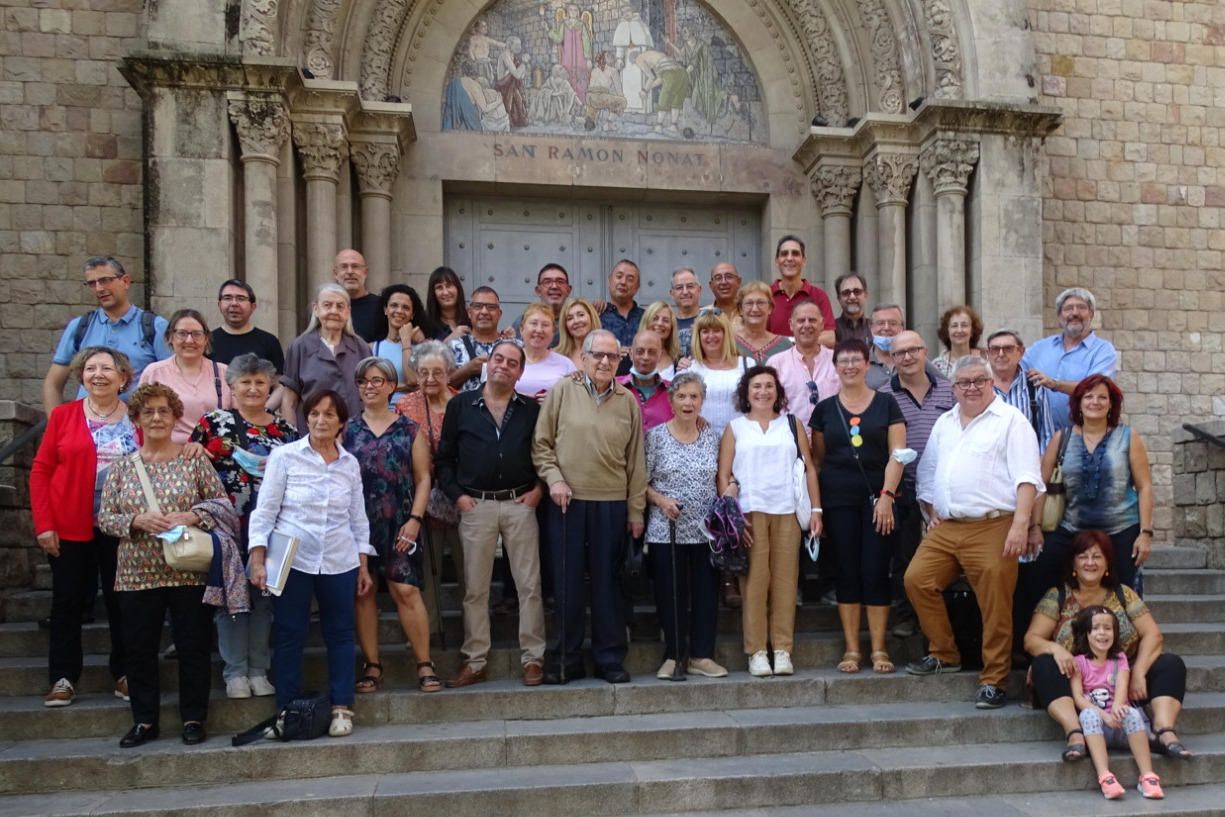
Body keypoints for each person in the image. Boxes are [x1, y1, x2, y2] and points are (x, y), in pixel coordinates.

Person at [97, 383, 236, 747]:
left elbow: (223, 507)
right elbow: (104, 519)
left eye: (163, 411)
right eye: (148, 412)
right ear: (136, 419)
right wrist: (135, 522)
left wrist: (189, 516)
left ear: (176, 416)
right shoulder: (122, 469)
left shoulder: (194, 459)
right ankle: (144, 721)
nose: (156, 417)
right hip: (135, 573)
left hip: (188, 570)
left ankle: (193, 717)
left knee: (192, 646)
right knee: (139, 649)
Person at [904, 356, 1043, 710]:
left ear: (992, 382)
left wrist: (1020, 524)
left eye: (979, 380)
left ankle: (994, 679)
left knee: (996, 601)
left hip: (995, 524)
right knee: (917, 580)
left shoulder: (1011, 420)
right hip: (947, 526)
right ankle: (945, 653)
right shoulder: (945, 422)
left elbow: (1028, 477)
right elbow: (929, 471)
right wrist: (932, 511)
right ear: (953, 388)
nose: (972, 388)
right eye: (964, 382)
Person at [248, 390, 375, 738]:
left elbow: (358, 519)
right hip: (293, 558)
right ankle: (287, 711)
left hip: (339, 559)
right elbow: (265, 512)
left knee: (340, 634)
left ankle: (340, 707)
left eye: (329, 415)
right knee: (289, 633)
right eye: (315, 414)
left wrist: (363, 566)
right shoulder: (285, 456)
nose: (321, 420)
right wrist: (258, 559)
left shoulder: (349, 464)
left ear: (341, 423)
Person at [532, 329, 647, 685]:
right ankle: (566, 660)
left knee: (607, 586)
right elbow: (541, 444)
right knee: (567, 585)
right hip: (566, 502)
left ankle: (609, 659)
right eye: (598, 355)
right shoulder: (562, 392)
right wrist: (554, 479)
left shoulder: (628, 400)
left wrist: (635, 511)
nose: (604, 362)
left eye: (612, 357)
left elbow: (636, 461)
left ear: (619, 362)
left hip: (611, 505)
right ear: (583, 357)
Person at [1023, 530, 1190, 764]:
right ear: (1073, 563)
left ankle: (1163, 730)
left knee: (1170, 664)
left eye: (1097, 557)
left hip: (1122, 683)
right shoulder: (1057, 596)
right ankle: (1075, 733)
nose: (1090, 563)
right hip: (1076, 685)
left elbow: (1152, 634)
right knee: (1044, 664)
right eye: (1083, 556)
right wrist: (1056, 649)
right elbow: (1032, 639)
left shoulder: (1123, 594)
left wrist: (1139, 673)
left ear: (1107, 564)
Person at [435, 340, 547, 687]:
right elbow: (444, 458)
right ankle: (475, 660)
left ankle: (533, 659)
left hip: (520, 504)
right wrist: (458, 497)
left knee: (529, 586)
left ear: (520, 371)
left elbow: (544, 452)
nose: (503, 365)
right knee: (475, 589)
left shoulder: (531, 409)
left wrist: (539, 491)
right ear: (488, 364)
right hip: (476, 505)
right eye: (498, 358)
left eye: (512, 362)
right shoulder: (460, 405)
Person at [189, 353, 299, 699]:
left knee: (264, 598)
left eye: (260, 382)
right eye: (245, 382)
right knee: (231, 600)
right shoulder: (212, 423)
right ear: (233, 386)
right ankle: (235, 672)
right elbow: (192, 467)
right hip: (227, 526)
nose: (253, 388)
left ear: (271, 386)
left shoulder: (286, 430)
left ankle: (258, 669)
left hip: (272, 528)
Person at [33, 347, 138, 707]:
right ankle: (63, 677)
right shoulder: (63, 416)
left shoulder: (136, 418)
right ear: (82, 377)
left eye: (107, 368)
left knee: (122, 601)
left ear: (123, 377)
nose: (98, 374)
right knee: (67, 601)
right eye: (90, 368)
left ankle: (125, 672)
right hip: (69, 526)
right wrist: (44, 524)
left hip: (123, 527)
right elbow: (41, 470)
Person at [1017, 375, 1155, 640]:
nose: (1095, 402)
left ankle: (1128, 650)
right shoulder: (1062, 438)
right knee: (1036, 569)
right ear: (1078, 403)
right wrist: (1034, 527)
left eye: (1103, 397)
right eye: (1088, 396)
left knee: (1125, 591)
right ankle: (1037, 644)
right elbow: (1041, 486)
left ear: (1112, 405)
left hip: (1121, 529)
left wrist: (1145, 533)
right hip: (1072, 528)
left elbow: (1145, 487)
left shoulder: (1128, 437)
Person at [343, 358, 439, 694]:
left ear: (391, 385)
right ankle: (372, 665)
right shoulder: (347, 430)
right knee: (364, 591)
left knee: (406, 590)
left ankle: (424, 663)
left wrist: (415, 519)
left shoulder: (410, 429)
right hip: (358, 526)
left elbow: (424, 477)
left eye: (377, 380)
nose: (370, 386)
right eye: (363, 381)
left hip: (401, 523)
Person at [718, 365, 822, 677]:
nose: (763, 392)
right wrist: (734, 518)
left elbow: (810, 469)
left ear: (777, 392)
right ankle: (757, 651)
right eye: (756, 386)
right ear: (746, 393)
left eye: (768, 386)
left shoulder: (792, 424)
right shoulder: (735, 428)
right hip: (750, 513)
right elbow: (724, 475)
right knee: (754, 584)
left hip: (788, 511)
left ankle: (782, 649)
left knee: (785, 584)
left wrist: (817, 510)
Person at [810, 338, 906, 674]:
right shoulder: (823, 409)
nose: (849, 366)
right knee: (847, 572)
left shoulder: (887, 404)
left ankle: (879, 649)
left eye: (856, 360)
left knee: (875, 571)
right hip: (838, 502)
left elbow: (898, 454)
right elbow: (818, 460)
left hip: (879, 501)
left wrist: (887, 496)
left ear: (868, 364)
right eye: (843, 361)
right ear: (835, 367)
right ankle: (852, 649)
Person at [645, 371, 725, 679]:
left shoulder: (713, 436)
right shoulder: (656, 437)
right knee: (670, 592)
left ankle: (701, 655)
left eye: (694, 396)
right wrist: (661, 500)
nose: (688, 402)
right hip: (668, 529)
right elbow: (642, 483)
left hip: (705, 530)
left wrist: (729, 488)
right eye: (682, 396)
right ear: (671, 400)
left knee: (706, 593)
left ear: (702, 401)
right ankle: (673, 655)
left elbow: (723, 476)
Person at [879, 331, 955, 638]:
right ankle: (908, 615)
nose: (907, 357)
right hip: (904, 488)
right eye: (900, 353)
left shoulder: (951, 391)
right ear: (892, 359)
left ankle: (946, 616)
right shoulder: (884, 396)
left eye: (913, 350)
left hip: (948, 488)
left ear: (925, 353)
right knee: (906, 558)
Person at [394, 341, 464, 639]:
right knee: (426, 568)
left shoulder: (465, 403)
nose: (431, 379)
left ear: (450, 373)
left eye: (438, 372)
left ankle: (472, 633)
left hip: (460, 496)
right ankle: (429, 632)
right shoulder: (405, 405)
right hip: (421, 498)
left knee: (468, 570)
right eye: (424, 372)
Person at [43, 255, 170, 414]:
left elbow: (174, 381)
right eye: (92, 283)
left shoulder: (155, 327)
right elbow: (53, 383)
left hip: (136, 427)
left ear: (125, 281)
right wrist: (58, 426)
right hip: (86, 429)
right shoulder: (80, 327)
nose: (99, 289)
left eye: (105, 280)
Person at [1069, 605, 1164, 800]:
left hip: (1121, 727)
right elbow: (1078, 698)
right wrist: (1105, 715)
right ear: (1086, 633)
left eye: (1108, 628)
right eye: (1095, 628)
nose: (1102, 633)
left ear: (1115, 632)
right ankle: (1105, 776)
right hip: (1097, 729)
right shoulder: (1078, 662)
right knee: (1087, 714)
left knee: (1132, 713)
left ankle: (1147, 776)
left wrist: (1117, 710)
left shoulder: (1118, 659)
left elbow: (1122, 688)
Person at [1022, 287, 1119, 432]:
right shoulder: (1040, 347)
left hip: (1082, 438)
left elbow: (1095, 389)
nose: (1074, 313)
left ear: (1091, 314)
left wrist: (1054, 384)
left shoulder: (1103, 350)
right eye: (1068, 308)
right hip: (1042, 438)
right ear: (1060, 316)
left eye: (1081, 308)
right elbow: (1012, 368)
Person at [281, 283, 372, 431]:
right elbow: (289, 402)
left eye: (340, 306)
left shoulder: (361, 348)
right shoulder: (299, 347)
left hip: (354, 437)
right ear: (316, 309)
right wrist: (292, 441)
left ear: (348, 312)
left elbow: (372, 396)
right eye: (327, 305)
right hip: (311, 437)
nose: (334, 311)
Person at [137, 309, 233, 444]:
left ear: (206, 338)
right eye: (181, 333)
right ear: (170, 336)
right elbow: (140, 418)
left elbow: (237, 420)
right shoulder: (154, 373)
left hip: (213, 456)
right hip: (169, 457)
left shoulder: (224, 373)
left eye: (196, 334)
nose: (189, 340)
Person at [767, 298, 839, 430]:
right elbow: (770, 408)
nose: (806, 325)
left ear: (822, 324)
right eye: (801, 320)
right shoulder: (776, 363)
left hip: (832, 440)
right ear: (791, 325)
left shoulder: (837, 360)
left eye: (812, 320)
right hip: (790, 440)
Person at [987, 329, 1054, 454]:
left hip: (1026, 466)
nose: (1001, 354)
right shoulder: (978, 387)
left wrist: (1042, 468)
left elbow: (1046, 435)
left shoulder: (1035, 386)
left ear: (1021, 352)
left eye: (1008, 348)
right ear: (988, 353)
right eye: (995, 349)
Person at [685, 310, 750, 435]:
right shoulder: (689, 368)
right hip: (701, 442)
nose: (711, 336)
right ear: (698, 336)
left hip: (740, 441)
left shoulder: (747, 365)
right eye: (705, 331)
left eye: (716, 330)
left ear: (726, 334)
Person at [370, 284, 438, 399]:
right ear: (385, 309)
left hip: (413, 413)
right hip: (381, 412)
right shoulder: (372, 348)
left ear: (412, 314)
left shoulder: (423, 348)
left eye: (406, 307)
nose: (399, 311)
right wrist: (405, 386)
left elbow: (413, 381)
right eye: (394, 305)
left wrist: (406, 340)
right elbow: (371, 385)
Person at [767, 236, 835, 345]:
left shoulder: (819, 296)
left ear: (804, 260)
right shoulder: (765, 296)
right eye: (784, 254)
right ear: (776, 261)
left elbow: (829, 338)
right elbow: (757, 336)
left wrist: (791, 343)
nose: (789, 258)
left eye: (795, 253)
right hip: (773, 361)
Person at [209, 279, 284, 373]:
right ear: (219, 305)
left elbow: (279, 380)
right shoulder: (207, 341)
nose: (234, 304)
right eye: (228, 298)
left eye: (240, 298)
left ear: (253, 307)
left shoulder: (269, 341)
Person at [448, 286, 505, 392]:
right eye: (478, 306)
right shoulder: (453, 346)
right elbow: (438, 384)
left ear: (499, 314)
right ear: (469, 312)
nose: (484, 312)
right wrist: (468, 369)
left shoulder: (514, 346)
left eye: (491, 307)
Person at [515, 303, 577, 397]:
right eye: (534, 323)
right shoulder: (507, 361)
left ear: (553, 332)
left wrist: (554, 401)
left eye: (545, 325)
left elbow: (574, 400)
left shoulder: (565, 364)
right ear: (521, 329)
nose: (539, 330)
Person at [617, 330, 672, 433]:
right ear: (631, 354)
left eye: (652, 352)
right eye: (640, 351)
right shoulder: (614, 387)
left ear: (660, 356)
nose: (645, 357)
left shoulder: (674, 391)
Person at [511, 264, 572, 344]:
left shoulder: (575, 321)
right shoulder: (523, 321)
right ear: (538, 291)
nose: (554, 286)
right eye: (547, 282)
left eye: (560, 282)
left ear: (568, 290)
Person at [735, 280, 793, 363]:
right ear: (740, 309)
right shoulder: (729, 344)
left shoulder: (785, 345)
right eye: (749, 303)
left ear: (770, 308)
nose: (755, 309)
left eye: (761, 303)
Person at [598, 259, 645, 357]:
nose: (623, 282)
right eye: (619, 276)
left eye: (630, 279)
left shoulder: (646, 317)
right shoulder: (597, 314)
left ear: (637, 287)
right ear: (609, 281)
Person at [334, 249, 381, 342]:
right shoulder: (326, 309)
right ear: (335, 273)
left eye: (355, 266)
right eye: (344, 266)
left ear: (365, 272)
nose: (350, 271)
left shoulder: (382, 307)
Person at [932, 305, 986, 378]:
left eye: (964, 325)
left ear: (972, 331)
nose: (959, 330)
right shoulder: (937, 366)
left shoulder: (985, 359)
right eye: (954, 326)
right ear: (947, 332)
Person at [864, 303, 905, 389]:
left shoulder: (914, 358)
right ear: (871, 328)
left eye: (893, 323)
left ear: (902, 328)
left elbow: (940, 383)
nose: (886, 328)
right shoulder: (861, 363)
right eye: (880, 323)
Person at [425, 266, 471, 341]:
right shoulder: (426, 325)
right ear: (433, 293)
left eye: (449, 286)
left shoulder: (471, 319)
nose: (445, 292)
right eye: (439, 287)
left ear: (458, 288)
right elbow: (424, 352)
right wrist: (450, 339)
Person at [639, 300, 680, 378]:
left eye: (666, 320)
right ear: (646, 322)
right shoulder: (631, 357)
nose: (660, 323)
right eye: (655, 318)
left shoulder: (679, 361)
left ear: (671, 327)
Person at [556, 296, 599, 371]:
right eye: (570, 318)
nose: (576, 321)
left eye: (581, 315)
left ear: (591, 317)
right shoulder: (556, 355)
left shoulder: (607, 351)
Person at [668, 268, 702, 357]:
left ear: (699, 290)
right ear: (672, 294)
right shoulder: (666, 324)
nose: (685, 292)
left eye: (690, 286)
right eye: (679, 287)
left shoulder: (710, 321)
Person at [833, 273, 871, 346]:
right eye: (846, 293)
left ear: (866, 294)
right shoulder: (831, 330)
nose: (852, 297)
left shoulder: (875, 328)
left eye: (857, 291)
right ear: (839, 298)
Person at [704, 262, 742, 326]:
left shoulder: (751, 313)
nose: (724, 282)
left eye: (729, 276)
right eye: (718, 278)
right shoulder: (703, 315)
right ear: (711, 285)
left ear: (738, 282)